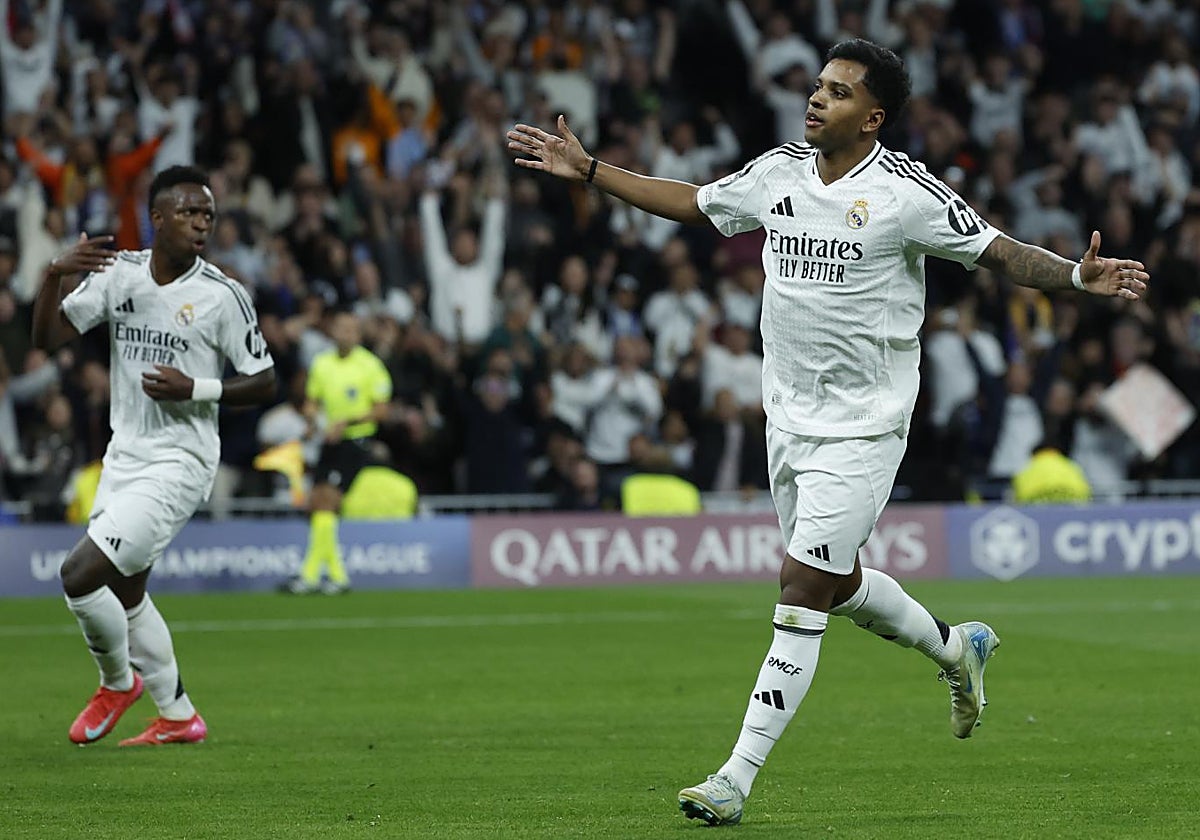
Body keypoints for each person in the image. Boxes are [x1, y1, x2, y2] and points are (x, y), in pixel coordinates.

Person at [507, 38, 1150, 826]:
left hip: (866, 428)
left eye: (837, 92)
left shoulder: (905, 192)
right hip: (790, 421)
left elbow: (998, 252)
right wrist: (595, 172)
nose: (816, 99)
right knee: (837, 584)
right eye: (817, 86)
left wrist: (1076, 276)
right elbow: (697, 202)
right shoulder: (778, 171)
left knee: (801, 587)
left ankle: (735, 778)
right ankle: (957, 649)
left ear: (872, 117)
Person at [30, 165, 277, 746]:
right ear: (157, 217)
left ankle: (117, 683)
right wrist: (51, 277)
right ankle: (178, 714)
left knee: (80, 575)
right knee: (126, 590)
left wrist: (198, 389)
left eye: (208, 216)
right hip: (126, 455)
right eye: (190, 213)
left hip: (181, 461)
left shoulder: (223, 295)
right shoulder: (122, 275)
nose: (201, 224)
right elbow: (46, 340)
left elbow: (264, 380)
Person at [281, 308, 391, 595]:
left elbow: (381, 410)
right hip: (329, 441)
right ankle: (336, 575)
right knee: (317, 502)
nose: (346, 334)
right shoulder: (321, 364)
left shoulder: (370, 366)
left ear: (358, 334)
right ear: (333, 331)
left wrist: (348, 421)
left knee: (327, 500)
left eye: (351, 329)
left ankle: (310, 575)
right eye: (341, 328)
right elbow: (312, 402)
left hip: (355, 442)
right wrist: (310, 419)